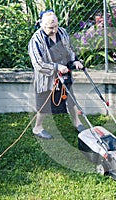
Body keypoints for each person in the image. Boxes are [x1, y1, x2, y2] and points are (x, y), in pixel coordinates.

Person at [28, 10, 85, 139]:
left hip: (64, 74)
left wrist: (74, 60)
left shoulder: (62, 32)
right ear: (42, 25)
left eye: (55, 26)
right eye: (50, 28)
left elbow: (69, 49)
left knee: (71, 99)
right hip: (47, 78)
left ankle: (77, 122)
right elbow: (38, 64)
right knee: (43, 105)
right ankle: (37, 128)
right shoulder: (36, 40)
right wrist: (56, 67)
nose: (54, 30)